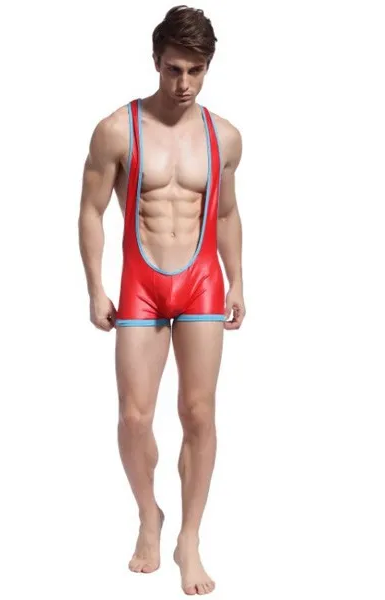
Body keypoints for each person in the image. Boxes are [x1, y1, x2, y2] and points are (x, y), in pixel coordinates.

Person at [78, 5, 245, 596]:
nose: (184, 83)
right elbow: (91, 210)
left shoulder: (224, 136)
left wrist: (237, 280)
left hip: (200, 283)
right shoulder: (116, 130)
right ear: (155, 61)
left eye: (196, 71)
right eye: (174, 69)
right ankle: (149, 514)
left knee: (199, 414)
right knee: (133, 417)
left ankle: (189, 538)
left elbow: (225, 212)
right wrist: (95, 287)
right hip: (140, 286)